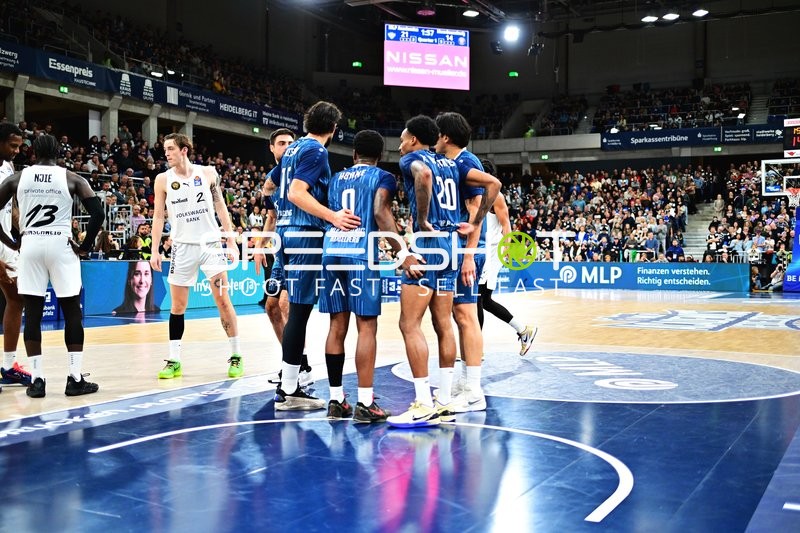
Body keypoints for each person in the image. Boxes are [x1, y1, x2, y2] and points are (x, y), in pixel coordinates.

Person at [386, 115, 500, 429]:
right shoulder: (452, 163)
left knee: (410, 323)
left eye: (402, 138)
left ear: (411, 140)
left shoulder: (418, 160)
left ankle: (423, 402)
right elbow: (495, 184)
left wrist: (422, 220)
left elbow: (422, 175)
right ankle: (446, 400)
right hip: (453, 245)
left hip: (431, 245)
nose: (399, 144)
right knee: (444, 322)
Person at [0, 134, 105, 397]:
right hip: (60, 244)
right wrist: (86, 245)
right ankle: (74, 378)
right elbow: (99, 213)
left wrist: (10, 241)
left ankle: (37, 381)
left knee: (33, 312)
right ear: (58, 152)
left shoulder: (17, 178)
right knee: (71, 310)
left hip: (30, 245)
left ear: (33, 152)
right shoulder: (72, 178)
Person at [272, 101, 360, 410]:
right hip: (304, 234)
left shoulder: (292, 149)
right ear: (334, 129)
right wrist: (333, 216)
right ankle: (289, 389)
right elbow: (297, 192)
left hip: (284, 231)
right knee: (298, 312)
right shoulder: (317, 151)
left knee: (296, 311)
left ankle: (290, 384)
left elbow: (271, 185)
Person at [319, 130, 410, 423]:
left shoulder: (335, 178)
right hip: (361, 253)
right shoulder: (383, 177)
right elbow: (381, 213)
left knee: (336, 325)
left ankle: (335, 400)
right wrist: (402, 252)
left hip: (332, 252)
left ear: (354, 154)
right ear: (380, 156)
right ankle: (365, 402)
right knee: (366, 327)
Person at [149, 133, 244, 380]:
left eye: (170, 148)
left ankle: (236, 356)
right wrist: (155, 249)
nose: (166, 153)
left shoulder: (208, 173)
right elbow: (159, 216)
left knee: (223, 301)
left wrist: (231, 239)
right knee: (177, 306)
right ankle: (174, 360)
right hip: (182, 247)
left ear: (184, 150)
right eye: (165, 149)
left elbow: (221, 206)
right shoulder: (162, 180)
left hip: (211, 244)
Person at [252, 128, 314, 387]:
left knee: (288, 306)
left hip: (301, 248)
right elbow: (271, 217)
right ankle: (294, 362)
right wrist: (260, 246)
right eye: (281, 143)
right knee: (271, 307)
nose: (287, 147)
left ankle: (301, 368)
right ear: (272, 148)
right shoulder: (272, 180)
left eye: (291, 142)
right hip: (280, 252)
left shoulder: (301, 174)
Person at [474, 160, 536, 350]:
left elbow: (506, 225)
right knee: (484, 301)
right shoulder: (475, 193)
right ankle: (523, 330)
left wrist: (506, 251)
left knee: (477, 298)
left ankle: (475, 348)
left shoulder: (496, 196)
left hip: (491, 253)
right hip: (480, 251)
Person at [0, 122, 31, 387]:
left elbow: (11, 207)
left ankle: (8, 366)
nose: (17, 151)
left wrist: (21, 235)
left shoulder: (8, 167)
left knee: (17, 298)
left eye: (19, 146)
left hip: (6, 243)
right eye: (13, 145)